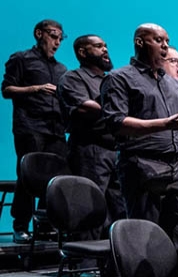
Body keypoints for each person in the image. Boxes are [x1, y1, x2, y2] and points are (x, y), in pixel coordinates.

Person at [100, 23, 178, 277]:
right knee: (144, 236)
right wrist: (165, 124)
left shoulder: (171, 83)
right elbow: (116, 123)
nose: (165, 46)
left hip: (176, 167)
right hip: (141, 164)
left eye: (167, 41)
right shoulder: (120, 78)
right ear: (140, 42)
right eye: (158, 40)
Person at [2, 19, 68, 243]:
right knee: (28, 176)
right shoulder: (21, 58)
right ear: (39, 34)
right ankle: (20, 225)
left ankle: (45, 224)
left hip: (55, 128)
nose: (57, 41)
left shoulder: (62, 69)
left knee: (56, 177)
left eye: (60, 38)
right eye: (53, 35)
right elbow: (7, 89)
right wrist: (35, 89)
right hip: (30, 126)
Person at [56, 34, 125, 231]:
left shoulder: (111, 80)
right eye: (98, 46)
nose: (105, 50)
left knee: (120, 211)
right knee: (90, 210)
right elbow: (88, 108)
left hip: (116, 150)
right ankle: (86, 261)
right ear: (82, 52)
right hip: (90, 151)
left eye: (105, 45)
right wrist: (121, 110)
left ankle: (113, 259)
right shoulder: (72, 78)